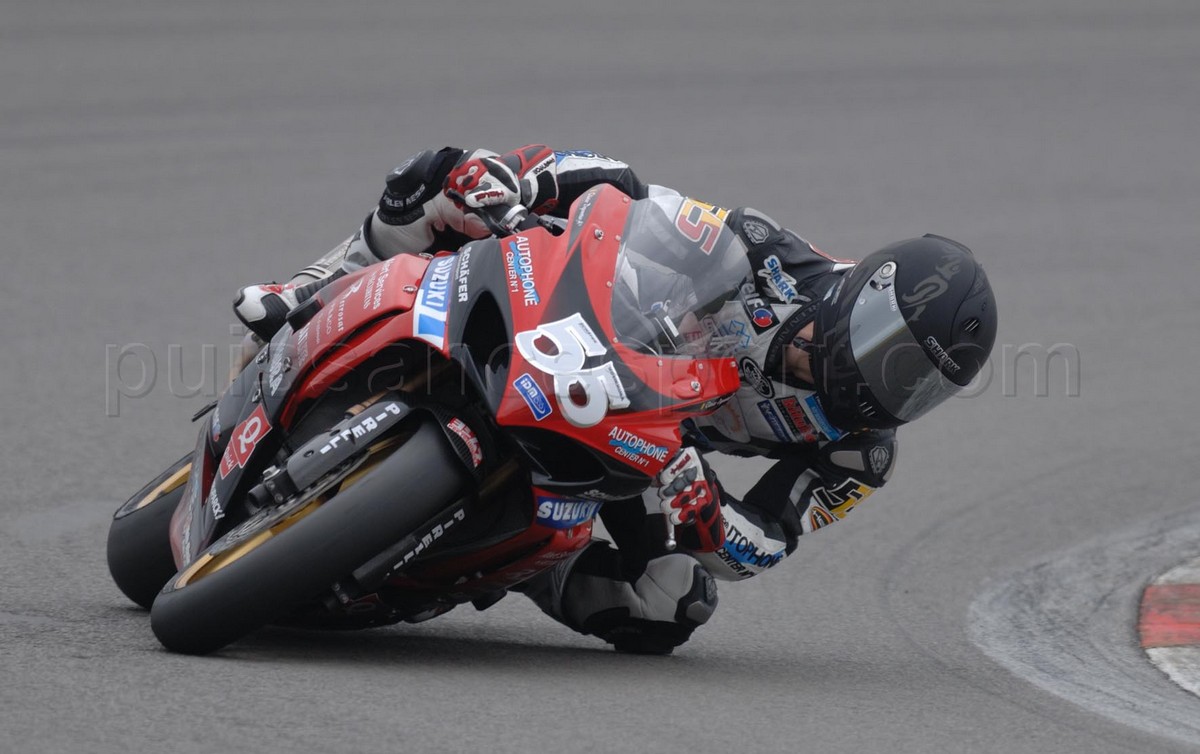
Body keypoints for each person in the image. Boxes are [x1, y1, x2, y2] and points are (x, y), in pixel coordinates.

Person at [234, 145, 998, 654]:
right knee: (444, 175)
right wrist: (525, 188)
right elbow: (635, 202)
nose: (890, 387)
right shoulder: (772, 253)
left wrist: (709, 512)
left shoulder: (859, 455)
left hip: (653, 451)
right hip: (603, 340)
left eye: (920, 386)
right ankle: (311, 290)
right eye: (894, 357)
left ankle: (519, 566)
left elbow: (768, 539)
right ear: (862, 297)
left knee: (672, 603)